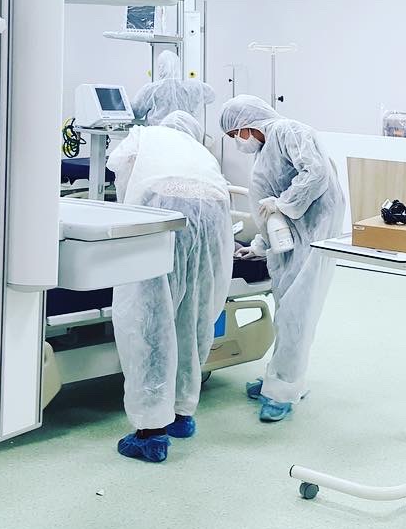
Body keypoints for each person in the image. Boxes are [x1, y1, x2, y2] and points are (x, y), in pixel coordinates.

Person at [106, 110, 233, 462]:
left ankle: (150, 432)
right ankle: (182, 413)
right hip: (212, 212)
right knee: (192, 313)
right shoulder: (200, 151)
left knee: (149, 316)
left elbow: (118, 167)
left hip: (160, 208)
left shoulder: (144, 136)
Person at [220, 95, 347, 423]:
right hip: (293, 237)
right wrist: (260, 244)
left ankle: (284, 391)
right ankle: (279, 378)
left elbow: (315, 173)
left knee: (296, 314)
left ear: (248, 124)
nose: (237, 142)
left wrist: (284, 203)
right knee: (286, 310)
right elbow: (268, 204)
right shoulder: (265, 149)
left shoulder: (289, 131)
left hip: (313, 233)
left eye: (235, 134)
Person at [130, 50, 217, 129]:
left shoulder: (152, 89)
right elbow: (211, 97)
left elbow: (135, 113)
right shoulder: (192, 87)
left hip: (158, 136)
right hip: (186, 136)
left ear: (161, 67)